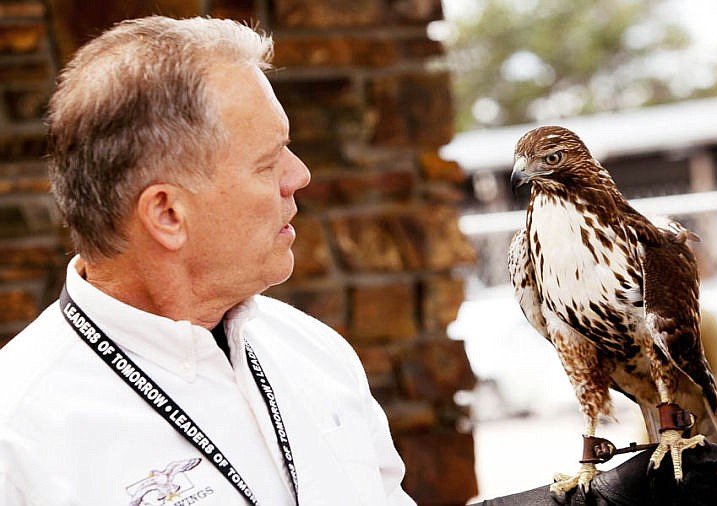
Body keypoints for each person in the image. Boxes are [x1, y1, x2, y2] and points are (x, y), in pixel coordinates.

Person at [0, 16, 415, 506]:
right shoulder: (17, 437)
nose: (298, 175)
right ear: (167, 213)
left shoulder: (314, 351)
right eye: (268, 161)